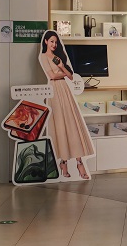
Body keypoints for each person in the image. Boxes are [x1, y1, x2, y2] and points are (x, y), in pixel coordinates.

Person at [39, 30, 94, 179]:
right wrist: (63, 73)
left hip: (64, 89)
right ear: (46, 41)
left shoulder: (59, 57)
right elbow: (51, 75)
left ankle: (79, 161)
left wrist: (62, 67)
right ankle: (63, 162)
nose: (54, 44)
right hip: (54, 90)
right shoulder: (43, 57)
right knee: (60, 125)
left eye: (56, 42)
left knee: (72, 124)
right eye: (51, 41)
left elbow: (70, 76)